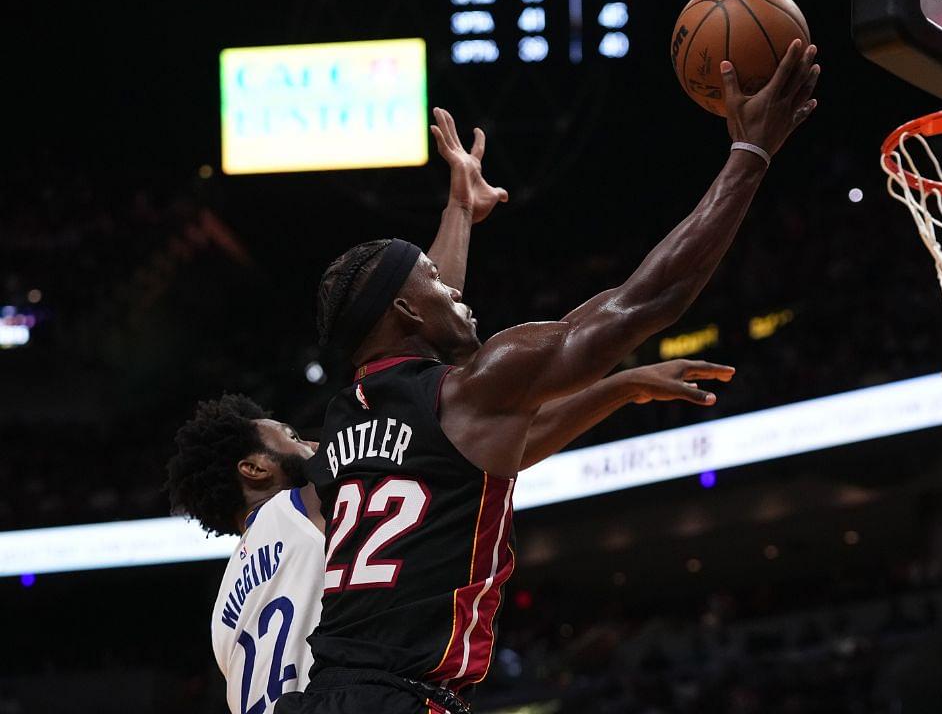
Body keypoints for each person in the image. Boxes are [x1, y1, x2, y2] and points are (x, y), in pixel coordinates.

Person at [281, 41, 820, 714]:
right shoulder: (470, 390)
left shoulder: (345, 418)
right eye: (440, 291)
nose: (460, 295)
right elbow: (644, 302)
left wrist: (458, 210)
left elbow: (426, 324)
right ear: (404, 310)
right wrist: (751, 155)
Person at [166, 109, 735, 714]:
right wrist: (750, 153)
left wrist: (459, 212)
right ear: (256, 469)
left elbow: (433, 388)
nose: (308, 440)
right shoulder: (309, 491)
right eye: (289, 436)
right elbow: (435, 383)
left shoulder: (228, 603)